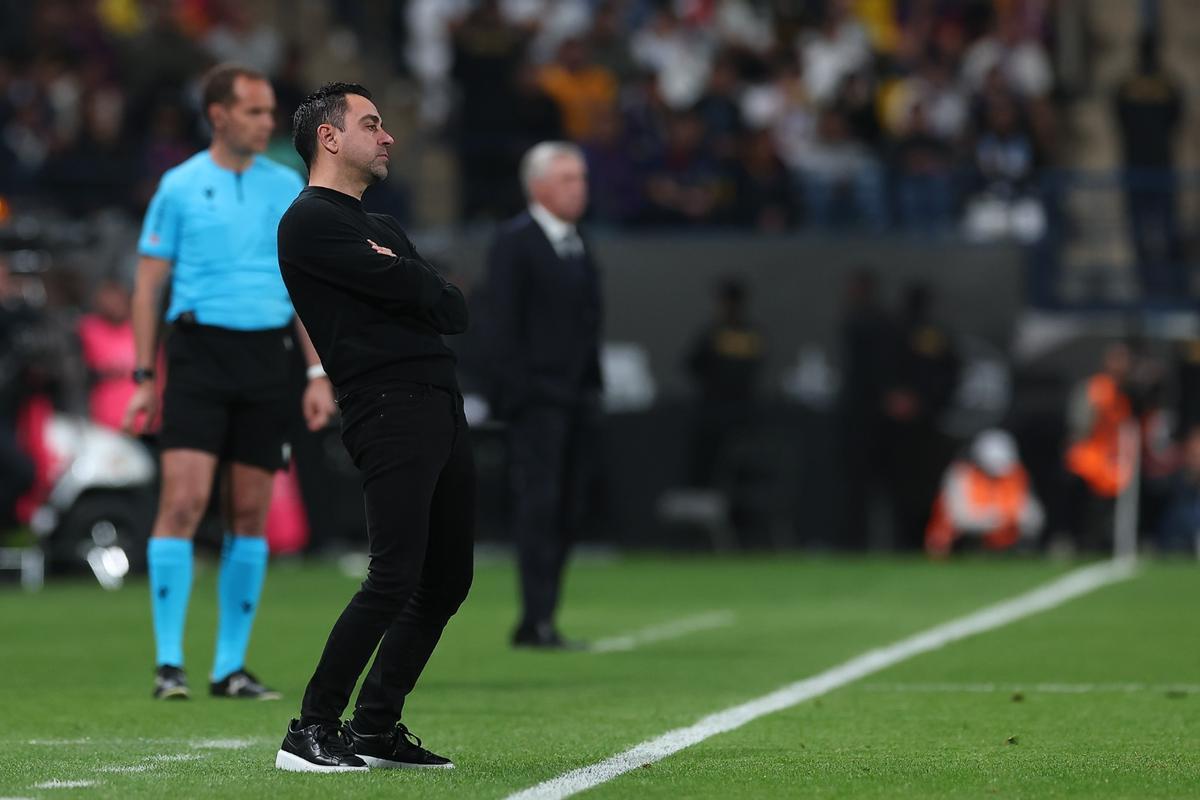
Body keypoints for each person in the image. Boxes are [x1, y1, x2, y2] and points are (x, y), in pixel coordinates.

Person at [122, 64, 336, 702]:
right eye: (254, 112)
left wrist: (317, 370)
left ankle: (230, 668)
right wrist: (142, 376)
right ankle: (168, 664)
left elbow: (303, 288)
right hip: (198, 355)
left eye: (270, 112)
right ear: (218, 116)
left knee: (249, 513)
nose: (268, 123)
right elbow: (147, 284)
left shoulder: (286, 183)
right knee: (183, 503)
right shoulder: (180, 186)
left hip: (267, 358)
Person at [275, 82, 472, 772]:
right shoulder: (307, 221)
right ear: (329, 138)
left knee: (448, 579)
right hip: (387, 404)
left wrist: (411, 278)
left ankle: (376, 728)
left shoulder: (382, 228)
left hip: (440, 401)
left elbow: (452, 308)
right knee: (393, 575)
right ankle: (312, 725)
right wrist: (415, 282)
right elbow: (425, 292)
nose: (387, 136)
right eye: (371, 123)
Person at [482, 141, 603, 649]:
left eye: (581, 178)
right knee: (540, 505)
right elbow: (501, 325)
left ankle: (546, 613)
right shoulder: (516, 242)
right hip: (538, 401)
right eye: (568, 178)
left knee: (568, 508)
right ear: (538, 187)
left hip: (575, 398)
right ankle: (534, 618)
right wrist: (520, 394)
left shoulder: (577, 242)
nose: (580, 188)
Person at [684, 278, 764, 488]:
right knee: (709, 469)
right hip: (720, 411)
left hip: (728, 413)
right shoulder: (717, 333)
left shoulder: (731, 334)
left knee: (732, 469)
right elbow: (692, 364)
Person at [925, 429, 1044, 557]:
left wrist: (1014, 520)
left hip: (999, 537)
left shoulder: (1015, 475)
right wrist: (997, 519)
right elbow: (959, 518)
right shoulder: (961, 476)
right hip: (962, 538)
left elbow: (1033, 516)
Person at [1064, 343, 1136, 551]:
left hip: (1119, 458)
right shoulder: (1096, 388)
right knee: (1087, 506)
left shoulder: (1129, 391)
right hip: (1093, 457)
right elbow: (1080, 424)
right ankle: (1081, 541)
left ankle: (1110, 542)